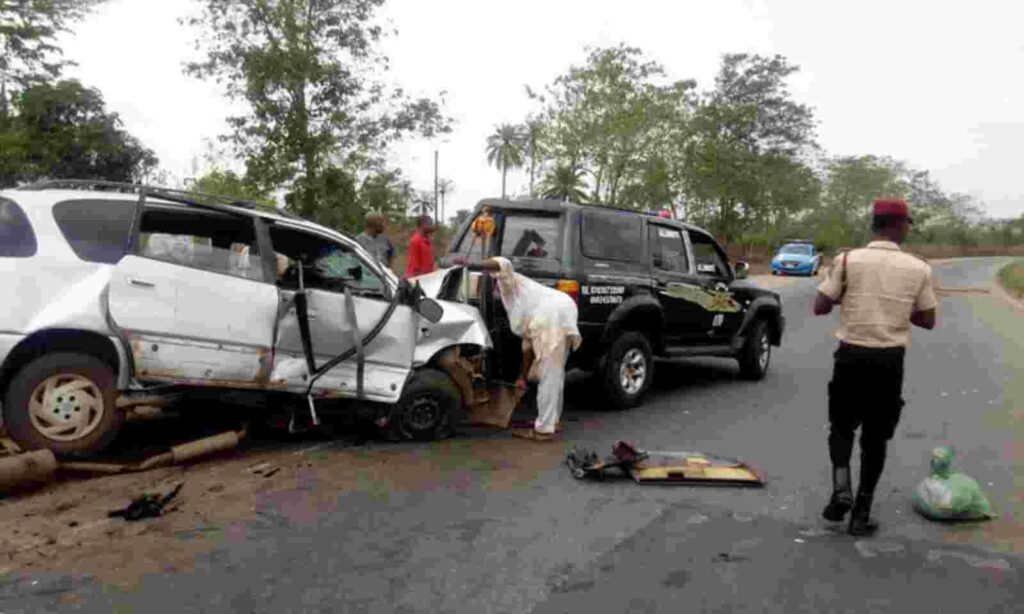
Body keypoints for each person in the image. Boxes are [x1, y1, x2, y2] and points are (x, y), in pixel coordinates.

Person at [813, 198, 938, 536]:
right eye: (907, 223)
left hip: (850, 357)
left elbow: (819, 306)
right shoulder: (918, 269)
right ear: (898, 225)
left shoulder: (847, 260)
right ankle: (861, 513)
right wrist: (901, 307)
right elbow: (928, 320)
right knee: (876, 438)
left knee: (841, 427)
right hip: (888, 362)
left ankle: (841, 489)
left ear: (875, 224)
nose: (908, 229)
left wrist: (845, 294)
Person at [477, 256, 582, 441]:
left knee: (548, 376)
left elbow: (502, 264)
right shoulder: (518, 303)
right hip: (561, 309)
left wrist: (472, 264)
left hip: (551, 316)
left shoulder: (510, 283)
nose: (494, 292)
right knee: (555, 373)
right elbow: (528, 347)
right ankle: (553, 421)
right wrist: (522, 377)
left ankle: (543, 430)